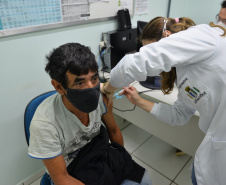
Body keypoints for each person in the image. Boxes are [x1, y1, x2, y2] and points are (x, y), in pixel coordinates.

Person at [101, 10, 226, 185]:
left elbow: (132, 65)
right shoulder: (185, 67)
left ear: (167, 37)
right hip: (212, 149)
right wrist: (138, 100)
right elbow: (179, 114)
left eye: (151, 48)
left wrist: (106, 88)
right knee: (198, 176)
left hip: (220, 147)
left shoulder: (205, 36)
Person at [28, 43, 152, 185]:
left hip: (98, 152)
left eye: (93, 79)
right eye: (80, 83)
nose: (92, 89)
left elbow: (113, 130)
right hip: (72, 168)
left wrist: (122, 160)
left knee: (145, 179)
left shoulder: (101, 98)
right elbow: (62, 178)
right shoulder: (45, 124)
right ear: (59, 87)